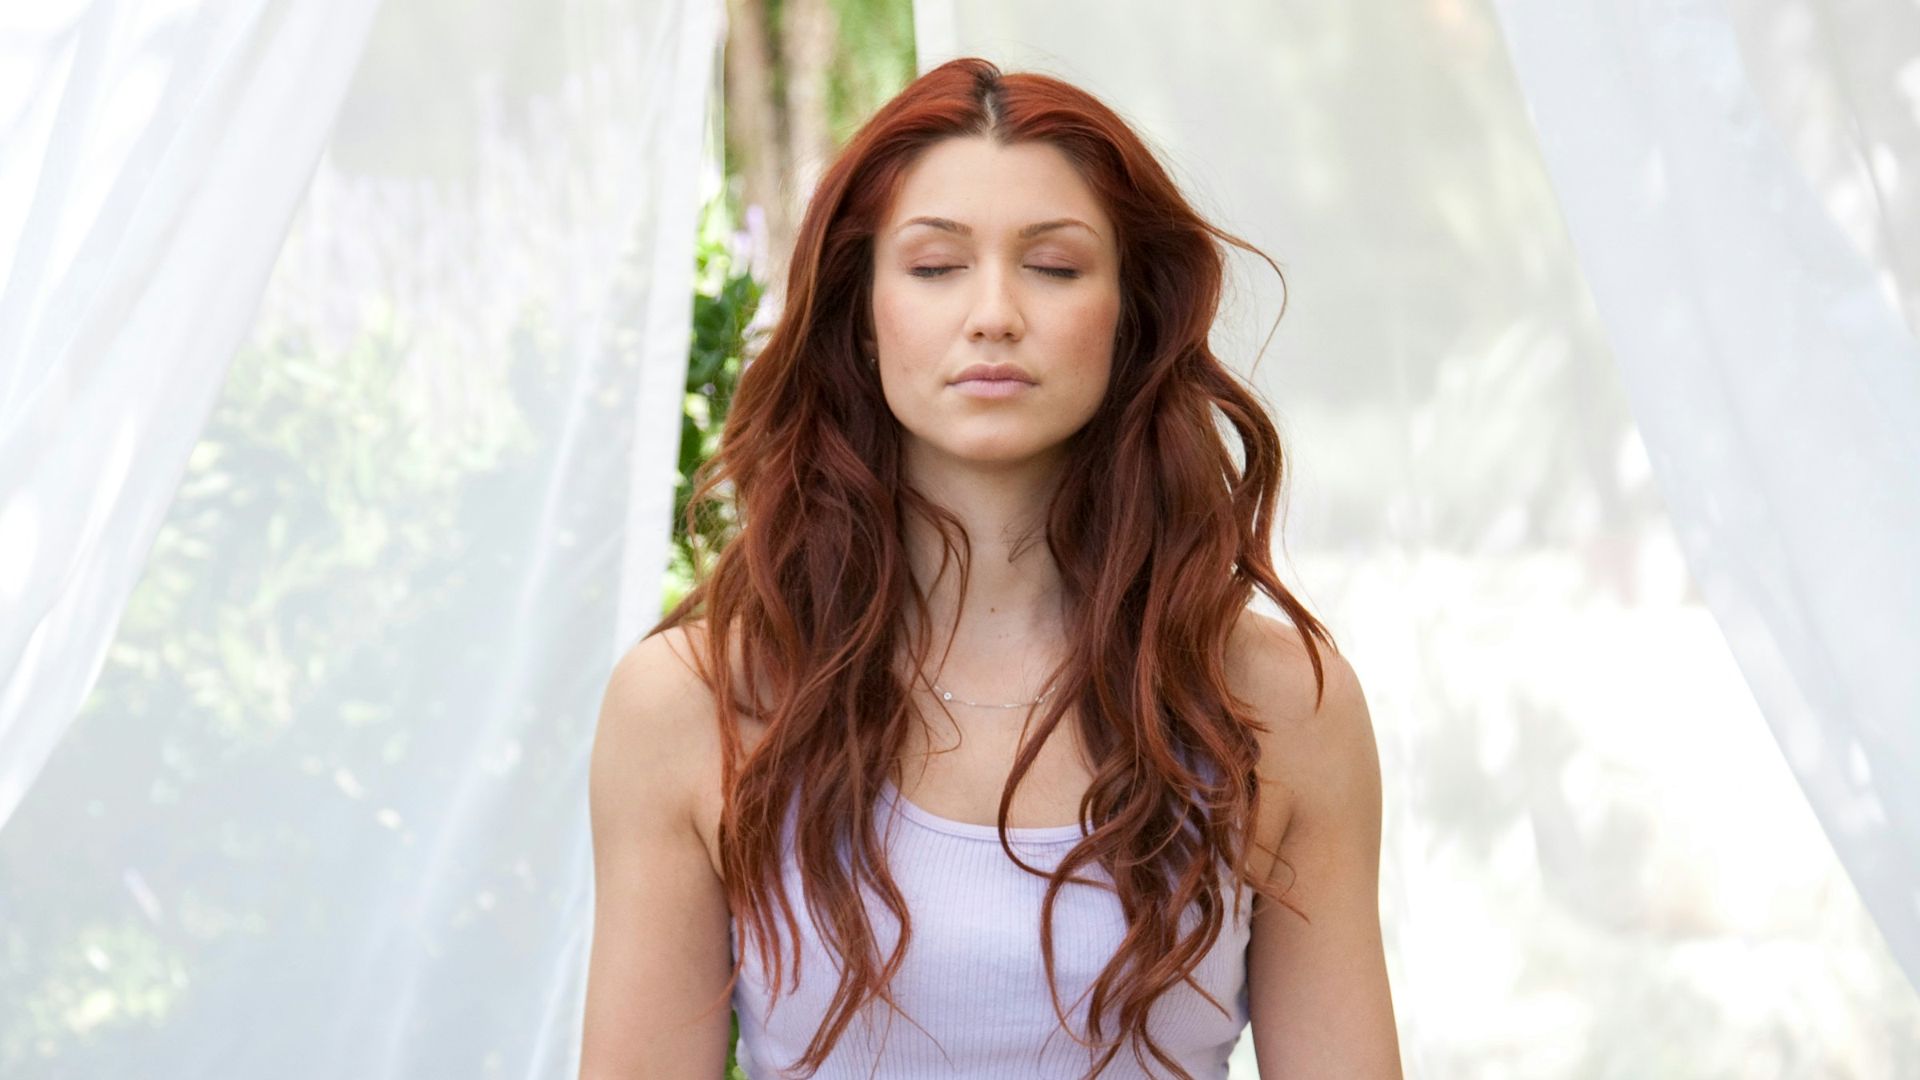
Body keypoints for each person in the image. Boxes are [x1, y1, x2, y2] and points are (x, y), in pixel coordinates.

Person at [578, 56, 1402, 1080]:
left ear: (1131, 314)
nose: (994, 313)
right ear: (860, 312)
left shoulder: (1280, 707)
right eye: (934, 268)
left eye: (1054, 267)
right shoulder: (689, 706)